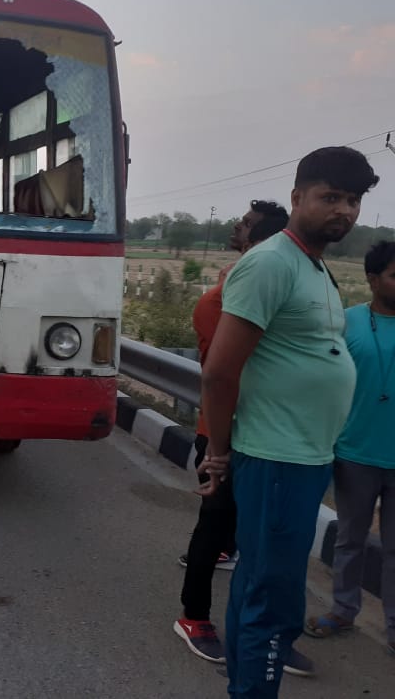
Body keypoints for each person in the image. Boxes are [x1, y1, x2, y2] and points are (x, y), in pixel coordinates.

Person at [199, 146, 379, 697]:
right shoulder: (271, 263)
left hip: (301, 456)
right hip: (277, 457)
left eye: (353, 200)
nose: (344, 210)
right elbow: (219, 373)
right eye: (331, 196)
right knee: (274, 602)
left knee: (260, 586)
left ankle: (244, 684)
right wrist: (220, 453)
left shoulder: (313, 264)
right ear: (298, 197)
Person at [174, 201, 290, 665]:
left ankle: (263, 627)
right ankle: (194, 616)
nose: (235, 228)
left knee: (250, 528)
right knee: (215, 518)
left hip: (266, 427)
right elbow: (224, 369)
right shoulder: (222, 296)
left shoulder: (261, 283)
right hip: (223, 427)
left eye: (244, 224)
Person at [304, 240, 395, 658]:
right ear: (373, 279)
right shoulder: (348, 321)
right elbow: (324, 378)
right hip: (355, 453)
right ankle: (343, 610)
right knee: (350, 540)